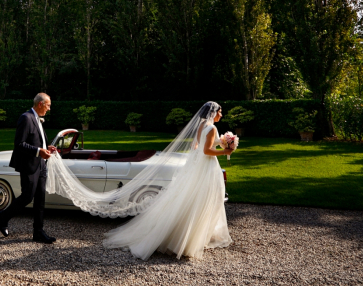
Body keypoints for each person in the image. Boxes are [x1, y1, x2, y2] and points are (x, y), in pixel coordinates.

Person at [46, 101, 234, 260]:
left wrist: (223, 141)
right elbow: (205, 150)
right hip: (205, 166)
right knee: (201, 199)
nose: (221, 114)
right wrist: (226, 150)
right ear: (214, 112)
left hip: (199, 166)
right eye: (220, 111)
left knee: (192, 199)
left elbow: (197, 145)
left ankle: (191, 236)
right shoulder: (211, 127)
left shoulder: (202, 126)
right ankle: (189, 239)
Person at [0, 93, 57, 243]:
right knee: (27, 197)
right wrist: (39, 151)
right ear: (40, 104)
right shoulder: (26, 118)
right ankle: (4, 216)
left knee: (40, 200)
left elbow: (36, 141)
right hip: (29, 165)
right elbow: (19, 144)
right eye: (48, 105)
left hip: (41, 165)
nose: (49, 109)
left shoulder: (37, 119)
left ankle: (38, 232)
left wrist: (46, 147)